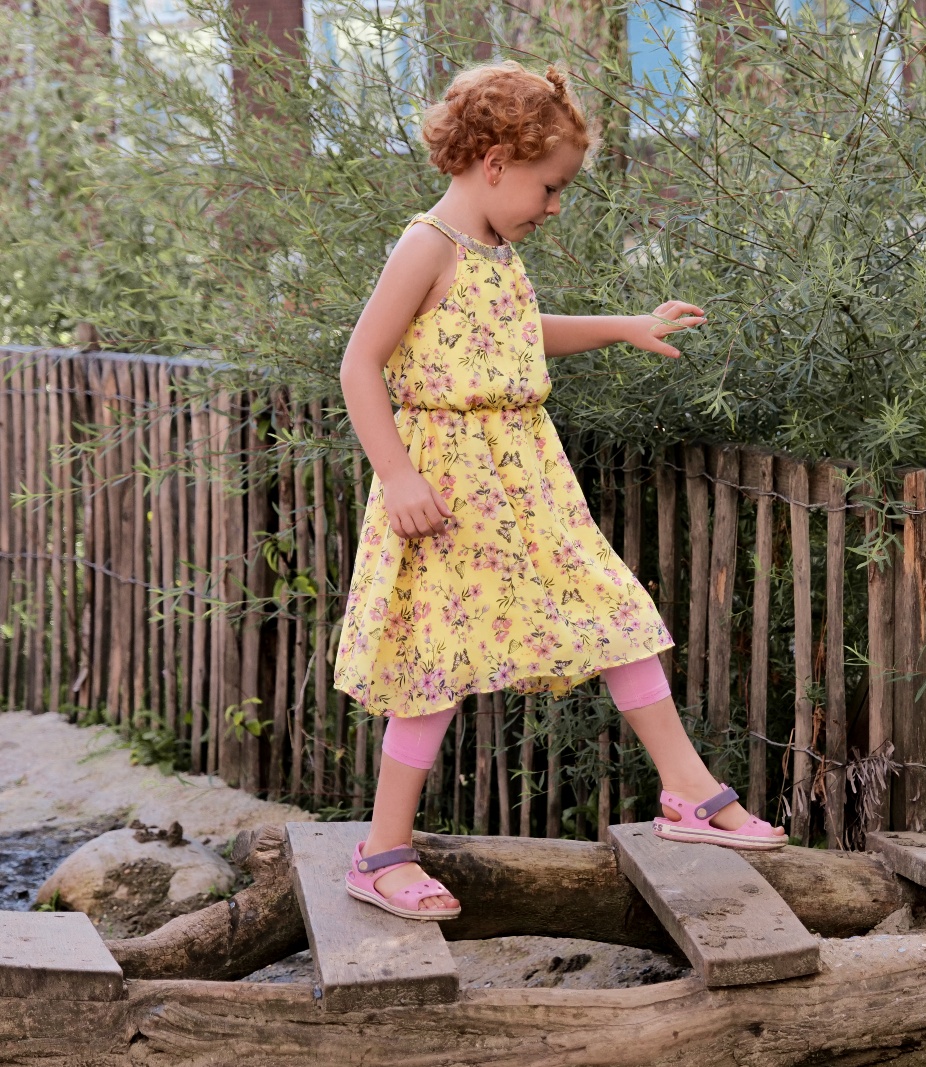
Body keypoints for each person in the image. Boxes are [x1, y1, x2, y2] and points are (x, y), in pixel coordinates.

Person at [331, 60, 785, 922]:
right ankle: (382, 850)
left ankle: (688, 790)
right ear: (495, 162)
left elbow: (511, 334)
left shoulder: (495, 252)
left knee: (614, 610)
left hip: (528, 480)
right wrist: (397, 475)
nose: (555, 206)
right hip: (447, 487)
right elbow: (360, 362)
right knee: (432, 660)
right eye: (550, 187)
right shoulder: (427, 243)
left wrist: (624, 326)